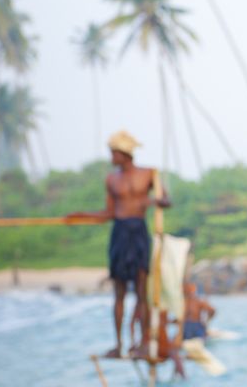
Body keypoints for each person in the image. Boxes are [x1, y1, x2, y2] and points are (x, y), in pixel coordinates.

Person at [66, 130, 171, 359]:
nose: (111, 157)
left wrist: (152, 200)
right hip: (120, 234)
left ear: (124, 154)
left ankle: (144, 343)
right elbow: (108, 214)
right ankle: (118, 345)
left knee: (142, 292)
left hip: (139, 232)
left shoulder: (149, 174)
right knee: (119, 293)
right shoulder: (112, 179)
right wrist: (81, 215)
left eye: (113, 153)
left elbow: (166, 200)